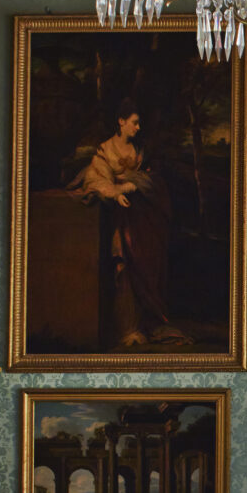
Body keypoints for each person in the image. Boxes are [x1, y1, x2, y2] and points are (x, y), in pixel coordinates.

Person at [75, 100, 185, 348]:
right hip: (122, 220)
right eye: (134, 122)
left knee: (147, 267)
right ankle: (129, 329)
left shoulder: (140, 151)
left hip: (145, 219)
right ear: (121, 121)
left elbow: (153, 180)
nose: (138, 127)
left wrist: (135, 184)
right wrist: (115, 192)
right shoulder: (105, 151)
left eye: (139, 123)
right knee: (125, 267)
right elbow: (95, 179)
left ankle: (150, 322)